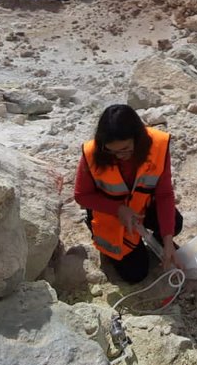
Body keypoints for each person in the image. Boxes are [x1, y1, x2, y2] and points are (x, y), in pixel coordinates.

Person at [74, 104, 183, 283]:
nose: (118, 156)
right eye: (112, 150)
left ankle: (154, 243)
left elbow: (164, 194)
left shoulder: (157, 146)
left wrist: (168, 240)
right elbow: (81, 195)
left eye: (125, 149)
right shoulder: (94, 153)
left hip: (141, 208)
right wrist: (118, 209)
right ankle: (116, 244)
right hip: (110, 215)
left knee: (174, 224)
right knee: (136, 274)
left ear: (137, 138)